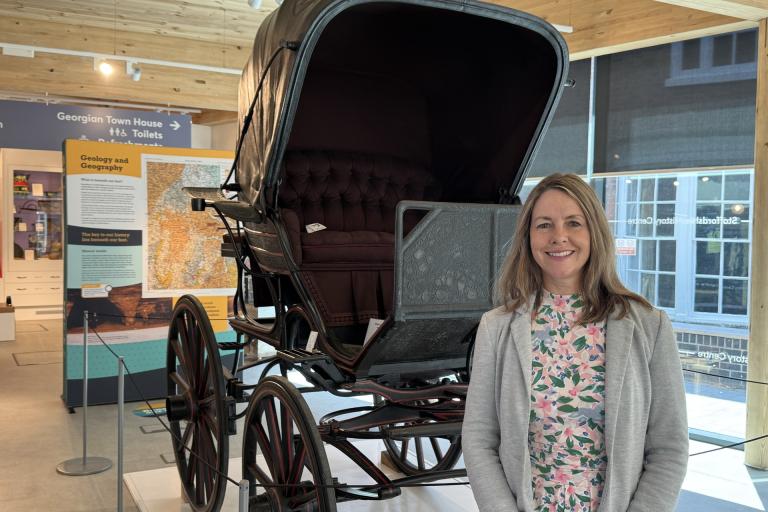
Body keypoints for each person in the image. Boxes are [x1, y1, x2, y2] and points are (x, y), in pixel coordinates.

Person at [463, 173, 688, 512]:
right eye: (543, 225)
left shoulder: (648, 326)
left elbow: (669, 446)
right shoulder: (496, 328)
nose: (559, 237)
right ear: (527, 237)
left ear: (594, 232)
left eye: (573, 223)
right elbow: (479, 439)